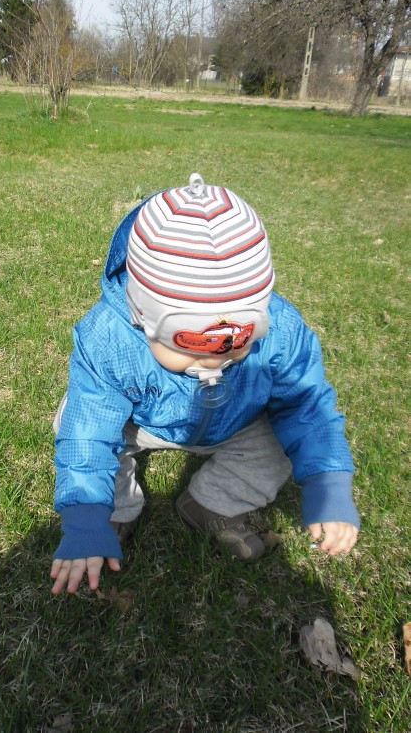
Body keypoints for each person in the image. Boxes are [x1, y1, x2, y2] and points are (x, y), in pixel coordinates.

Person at [50, 174, 359, 596]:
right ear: (141, 316)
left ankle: (211, 502)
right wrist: (84, 515)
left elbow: (308, 406)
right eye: (192, 342)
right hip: (140, 423)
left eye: (238, 340)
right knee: (73, 418)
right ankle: (113, 510)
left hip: (235, 425)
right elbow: (88, 431)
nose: (216, 358)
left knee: (276, 449)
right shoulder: (110, 338)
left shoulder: (282, 333)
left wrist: (328, 483)